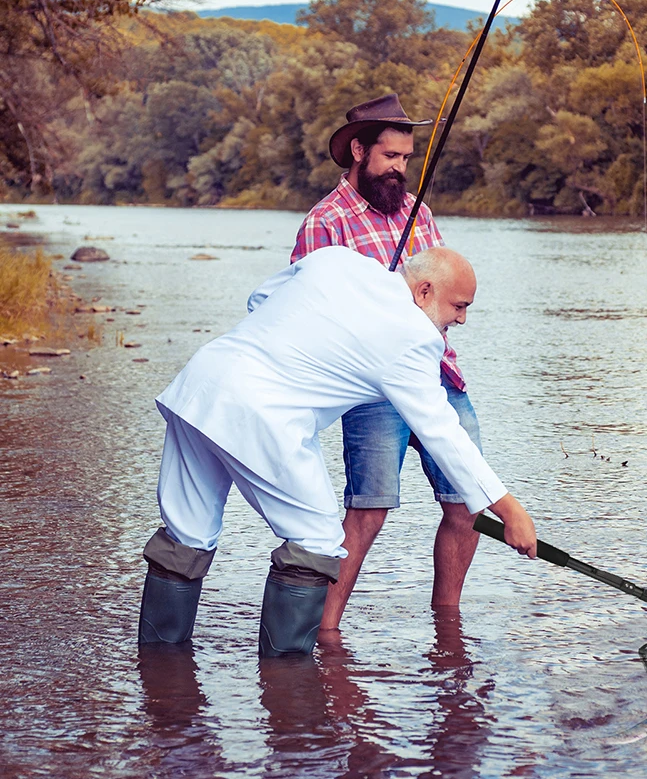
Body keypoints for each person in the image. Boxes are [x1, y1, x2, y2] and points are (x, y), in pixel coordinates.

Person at [138, 245, 536, 658]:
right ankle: (290, 691)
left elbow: (259, 299)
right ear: (424, 291)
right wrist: (511, 511)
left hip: (202, 385)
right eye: (458, 306)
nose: (461, 318)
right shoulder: (413, 338)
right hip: (262, 414)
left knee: (187, 535)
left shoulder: (337, 260)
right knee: (319, 542)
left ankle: (161, 684)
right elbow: (443, 433)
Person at [291, 92, 483, 631]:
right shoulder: (324, 224)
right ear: (358, 150)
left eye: (406, 158)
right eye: (390, 157)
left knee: (467, 502)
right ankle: (324, 631)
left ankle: (449, 625)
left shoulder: (418, 212)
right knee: (369, 512)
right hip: (373, 390)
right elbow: (310, 318)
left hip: (439, 378)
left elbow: (442, 293)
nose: (401, 169)